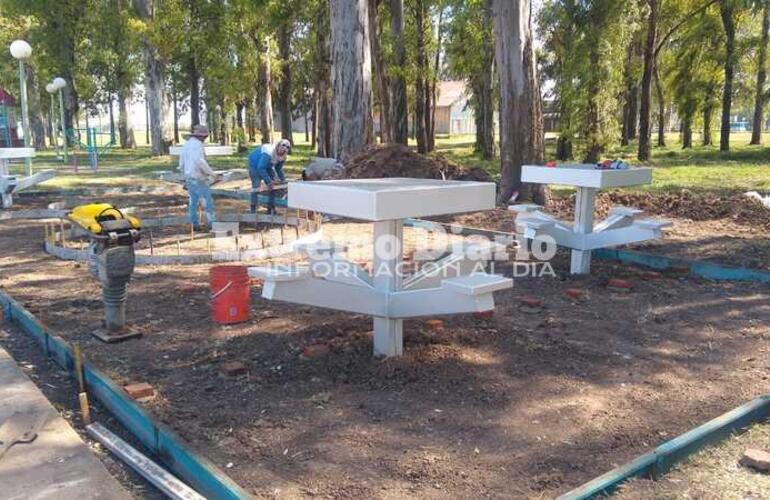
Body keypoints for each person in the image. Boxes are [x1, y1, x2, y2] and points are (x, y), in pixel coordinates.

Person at [179, 125, 217, 229]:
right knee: (207, 202)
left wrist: (184, 178)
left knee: (193, 203)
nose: (205, 139)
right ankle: (212, 224)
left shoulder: (186, 145)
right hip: (199, 178)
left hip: (189, 178)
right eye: (205, 137)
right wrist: (212, 173)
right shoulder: (198, 145)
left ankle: (194, 224)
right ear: (201, 136)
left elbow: (181, 164)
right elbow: (200, 161)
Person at [247, 139, 291, 214]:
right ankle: (253, 209)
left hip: (267, 165)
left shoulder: (283, 156)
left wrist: (283, 180)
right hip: (254, 164)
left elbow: (278, 169)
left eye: (286, 150)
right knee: (256, 187)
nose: (283, 151)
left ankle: (271, 208)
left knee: (273, 186)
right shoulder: (269, 152)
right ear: (278, 146)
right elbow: (260, 167)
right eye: (282, 148)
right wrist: (269, 181)